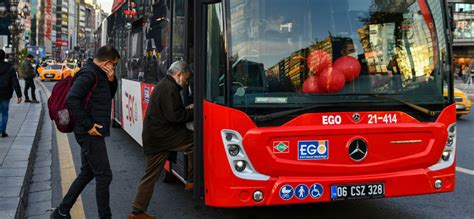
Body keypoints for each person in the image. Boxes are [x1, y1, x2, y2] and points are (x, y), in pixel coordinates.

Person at [51, 46, 120, 219]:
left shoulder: (99, 74)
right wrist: (89, 125)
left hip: (91, 132)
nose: (115, 68)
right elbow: (72, 99)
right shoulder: (89, 74)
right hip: (88, 133)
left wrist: (112, 80)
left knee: (88, 172)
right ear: (107, 62)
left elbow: (106, 98)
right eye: (115, 65)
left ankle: (61, 211)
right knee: (104, 176)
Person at [129, 61, 194, 219]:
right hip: (163, 138)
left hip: (156, 137)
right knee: (195, 141)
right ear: (178, 74)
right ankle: (192, 180)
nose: (186, 83)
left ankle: (137, 211)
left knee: (150, 175)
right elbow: (175, 116)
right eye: (186, 78)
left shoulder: (165, 85)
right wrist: (193, 111)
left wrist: (185, 110)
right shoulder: (169, 88)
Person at [0, 50, 22, 138]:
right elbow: (15, 82)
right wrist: (19, 95)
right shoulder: (9, 67)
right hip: (6, 93)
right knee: (4, 112)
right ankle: (3, 131)